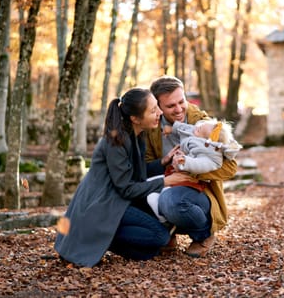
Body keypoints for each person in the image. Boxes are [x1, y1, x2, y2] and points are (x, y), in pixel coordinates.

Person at [54, 88, 194, 267]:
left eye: (157, 107)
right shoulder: (116, 142)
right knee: (160, 237)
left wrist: (163, 162)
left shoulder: (135, 135)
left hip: (117, 201)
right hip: (102, 205)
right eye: (153, 110)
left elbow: (136, 172)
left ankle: (103, 237)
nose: (159, 112)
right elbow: (127, 188)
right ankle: (97, 237)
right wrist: (165, 181)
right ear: (135, 119)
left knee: (148, 251)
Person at [145, 76, 238, 258]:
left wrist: (192, 171)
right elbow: (146, 165)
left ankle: (203, 235)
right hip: (167, 182)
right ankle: (167, 233)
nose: (179, 110)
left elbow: (230, 168)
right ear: (158, 107)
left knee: (171, 202)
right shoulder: (152, 126)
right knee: (143, 192)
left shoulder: (204, 124)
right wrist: (165, 165)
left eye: (182, 102)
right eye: (171, 106)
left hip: (197, 190)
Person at [147, 119, 241, 223]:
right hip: (173, 173)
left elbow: (202, 164)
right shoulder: (197, 131)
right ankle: (159, 208)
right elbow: (186, 128)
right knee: (149, 188)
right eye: (199, 126)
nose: (195, 128)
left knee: (165, 194)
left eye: (199, 130)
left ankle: (164, 217)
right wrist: (172, 128)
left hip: (188, 182)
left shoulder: (209, 151)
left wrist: (186, 162)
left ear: (208, 140)